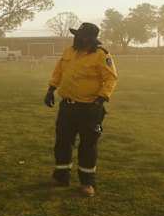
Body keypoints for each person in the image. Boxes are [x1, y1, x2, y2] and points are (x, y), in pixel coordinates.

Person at [43, 22, 118, 197]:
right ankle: (60, 176)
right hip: (67, 107)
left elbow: (111, 79)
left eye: (80, 36)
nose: (76, 39)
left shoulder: (101, 55)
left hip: (89, 108)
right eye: (76, 35)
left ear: (90, 40)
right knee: (62, 142)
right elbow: (59, 72)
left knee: (88, 146)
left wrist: (100, 101)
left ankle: (87, 183)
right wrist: (51, 89)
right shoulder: (69, 52)